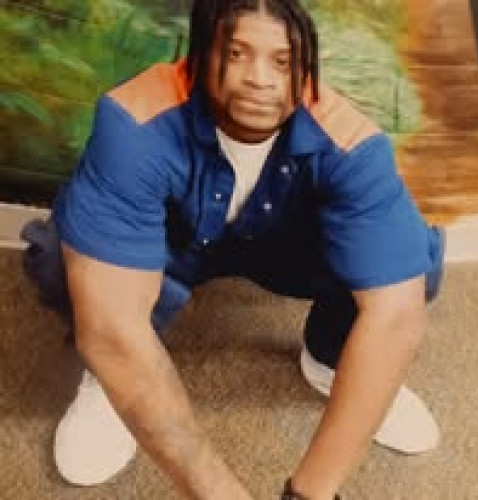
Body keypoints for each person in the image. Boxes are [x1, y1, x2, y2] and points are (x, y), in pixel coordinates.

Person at [21, 0, 446, 498]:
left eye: (282, 61)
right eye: (237, 53)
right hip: (170, 250)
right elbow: (110, 327)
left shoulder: (350, 140)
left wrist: (310, 495)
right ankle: (111, 386)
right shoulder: (134, 119)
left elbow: (394, 316)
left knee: (408, 261)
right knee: (64, 261)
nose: (260, 79)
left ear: (307, 71)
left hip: (283, 246)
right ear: (200, 55)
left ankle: (332, 359)